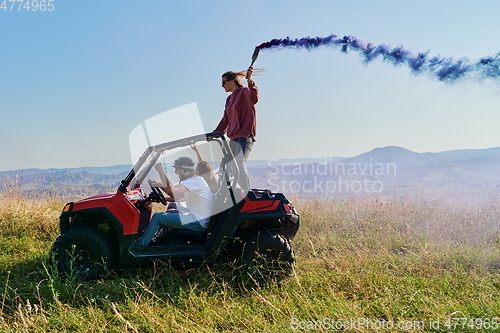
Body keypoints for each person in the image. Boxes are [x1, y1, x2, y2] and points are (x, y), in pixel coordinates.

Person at [136, 156, 213, 247]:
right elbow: (177, 197)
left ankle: (140, 246)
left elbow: (174, 191)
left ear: (184, 170)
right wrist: (161, 185)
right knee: (171, 210)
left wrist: (161, 171)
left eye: (177, 169)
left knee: (158, 217)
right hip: (199, 219)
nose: (175, 172)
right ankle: (158, 239)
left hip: (197, 222)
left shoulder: (194, 181)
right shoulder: (195, 180)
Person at [213, 67, 258, 192]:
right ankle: (228, 195)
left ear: (232, 81)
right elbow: (225, 120)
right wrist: (213, 134)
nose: (222, 86)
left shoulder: (245, 92)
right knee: (227, 166)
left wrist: (250, 81)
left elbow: (254, 97)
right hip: (233, 138)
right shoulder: (229, 99)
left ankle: (246, 195)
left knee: (238, 163)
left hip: (245, 135)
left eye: (224, 82)